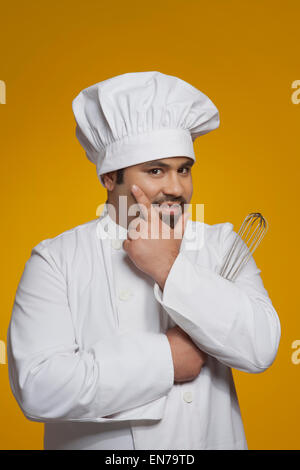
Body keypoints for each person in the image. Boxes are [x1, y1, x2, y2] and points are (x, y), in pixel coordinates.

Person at [7, 71, 281, 450]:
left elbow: (260, 348)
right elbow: (38, 387)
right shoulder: (57, 259)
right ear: (109, 177)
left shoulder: (221, 244)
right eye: (156, 170)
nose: (176, 187)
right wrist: (164, 359)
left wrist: (170, 268)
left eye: (183, 169)